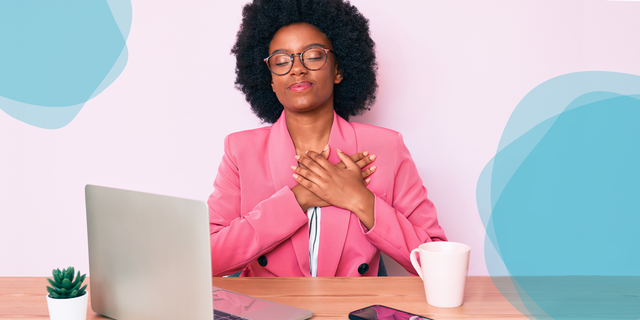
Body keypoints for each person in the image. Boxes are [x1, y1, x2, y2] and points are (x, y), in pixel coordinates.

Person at [208, 0, 446, 277]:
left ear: (338, 69)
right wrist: (298, 199)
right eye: (282, 61)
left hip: (350, 310)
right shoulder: (241, 150)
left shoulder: (385, 147)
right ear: (270, 81)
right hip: (268, 310)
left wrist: (359, 199)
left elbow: (439, 266)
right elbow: (208, 258)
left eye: (313, 55)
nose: (297, 69)